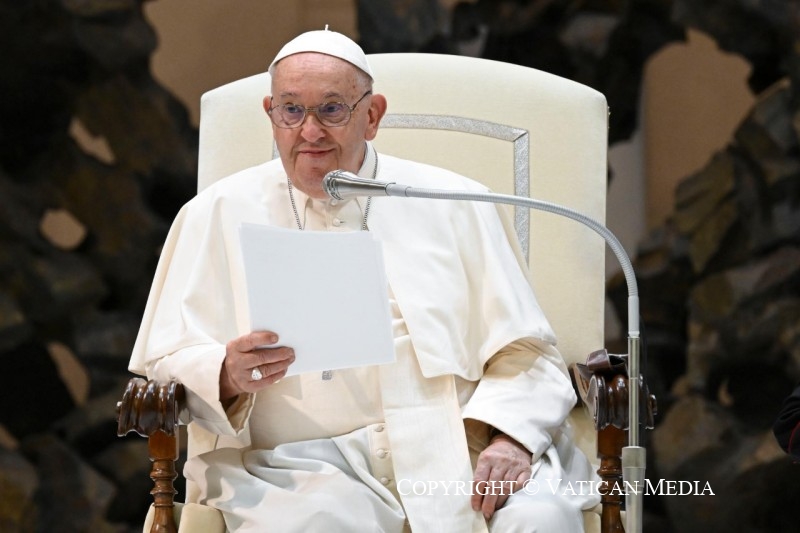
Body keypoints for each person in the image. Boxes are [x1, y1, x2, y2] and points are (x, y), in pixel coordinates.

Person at [129, 29, 599, 532]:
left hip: (460, 446)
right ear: (270, 113)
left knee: (541, 517)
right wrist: (224, 373)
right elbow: (164, 365)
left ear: (372, 115)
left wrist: (510, 437)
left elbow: (528, 353)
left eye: (332, 110)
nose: (309, 132)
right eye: (291, 110)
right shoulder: (213, 214)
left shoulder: (452, 200)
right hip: (298, 467)